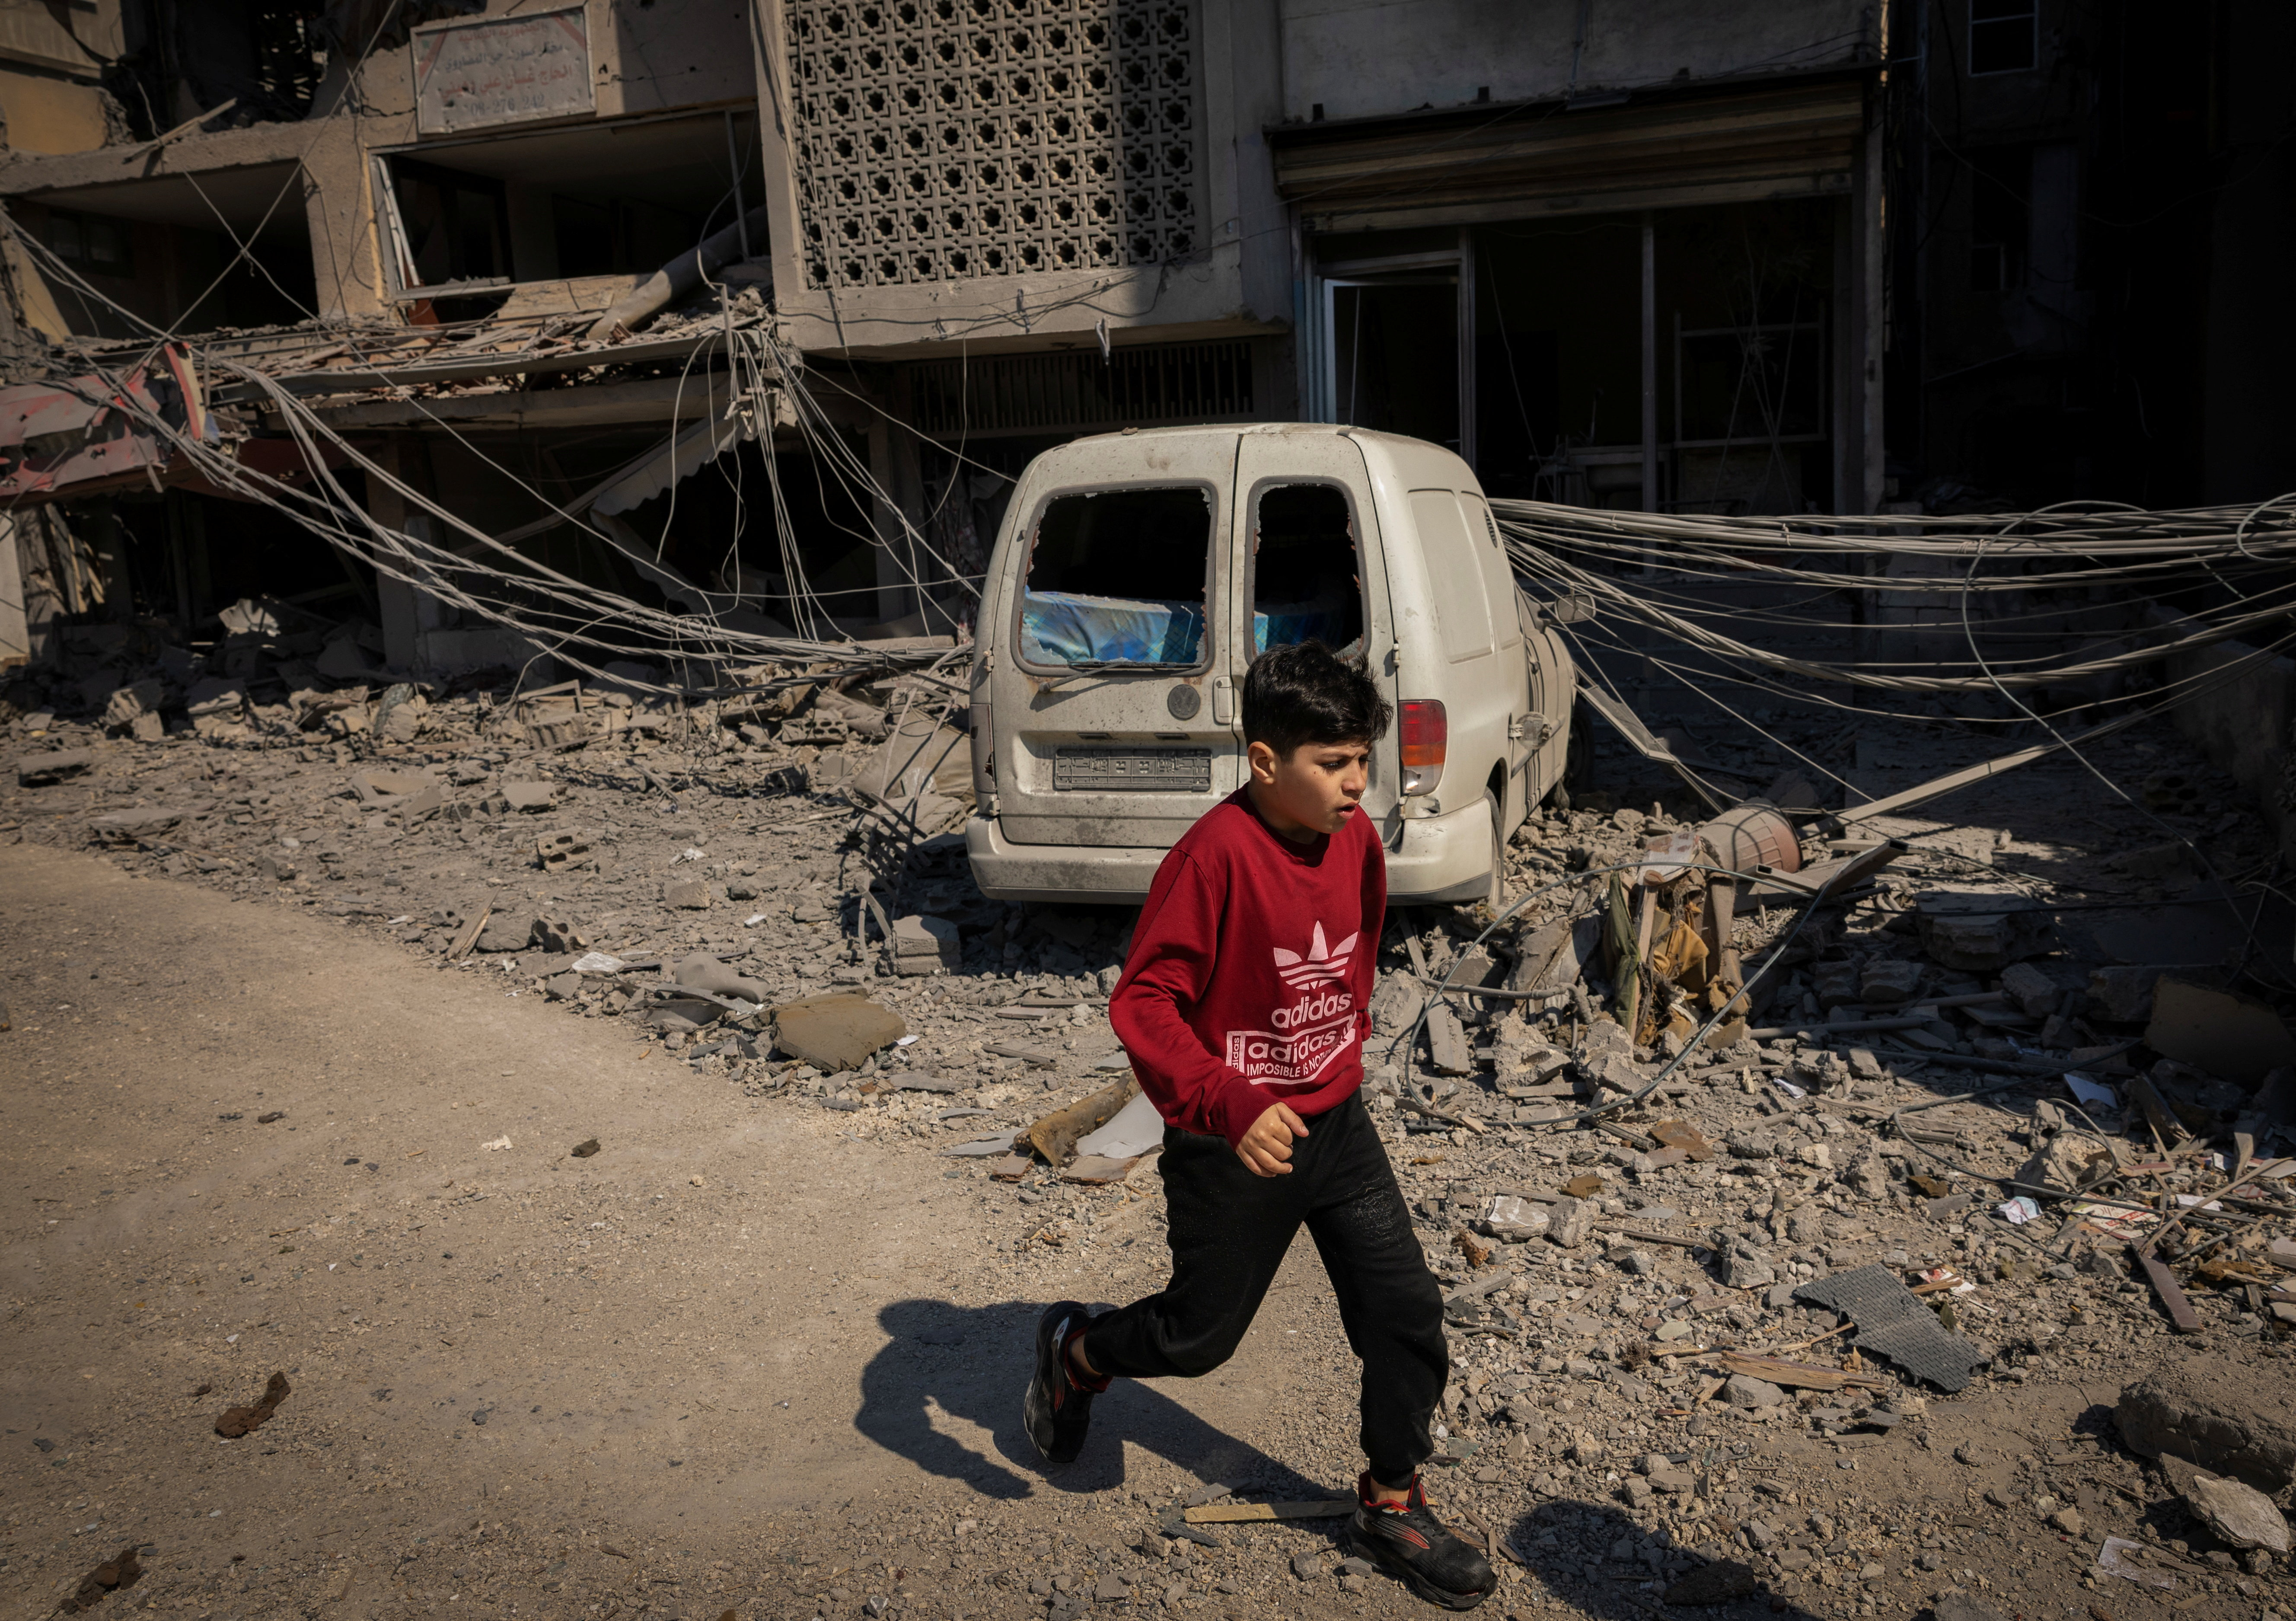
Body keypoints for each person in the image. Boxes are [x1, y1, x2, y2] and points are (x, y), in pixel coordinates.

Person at [1020, 640, 1496, 1612]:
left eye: (1362, 760)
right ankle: (1078, 1353)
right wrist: (1231, 1102)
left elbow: (1357, 948)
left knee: (1405, 1314)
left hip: (1335, 1126)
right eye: (1333, 764)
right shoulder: (1212, 857)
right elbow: (1144, 1005)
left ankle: (1392, 1500)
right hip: (1231, 1143)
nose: (1357, 784)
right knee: (1198, 1340)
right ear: (1265, 761)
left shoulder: (1357, 838)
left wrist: (1336, 1057)